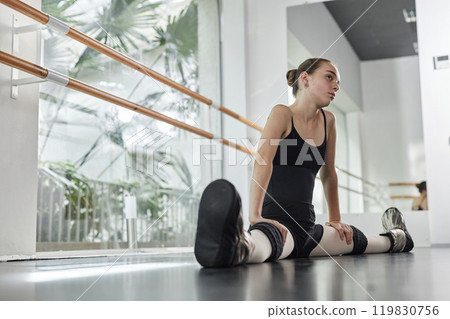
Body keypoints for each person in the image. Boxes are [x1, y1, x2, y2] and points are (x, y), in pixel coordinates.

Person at [194, 58, 414, 268]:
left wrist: (335, 220)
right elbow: (263, 161)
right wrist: (256, 216)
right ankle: (233, 246)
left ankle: (399, 236)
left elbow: (329, 174)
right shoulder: (282, 114)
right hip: (277, 222)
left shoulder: (329, 121)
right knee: (269, 244)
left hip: (308, 228)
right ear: (305, 79)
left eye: (338, 82)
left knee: (358, 240)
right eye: (329, 77)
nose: (336, 86)